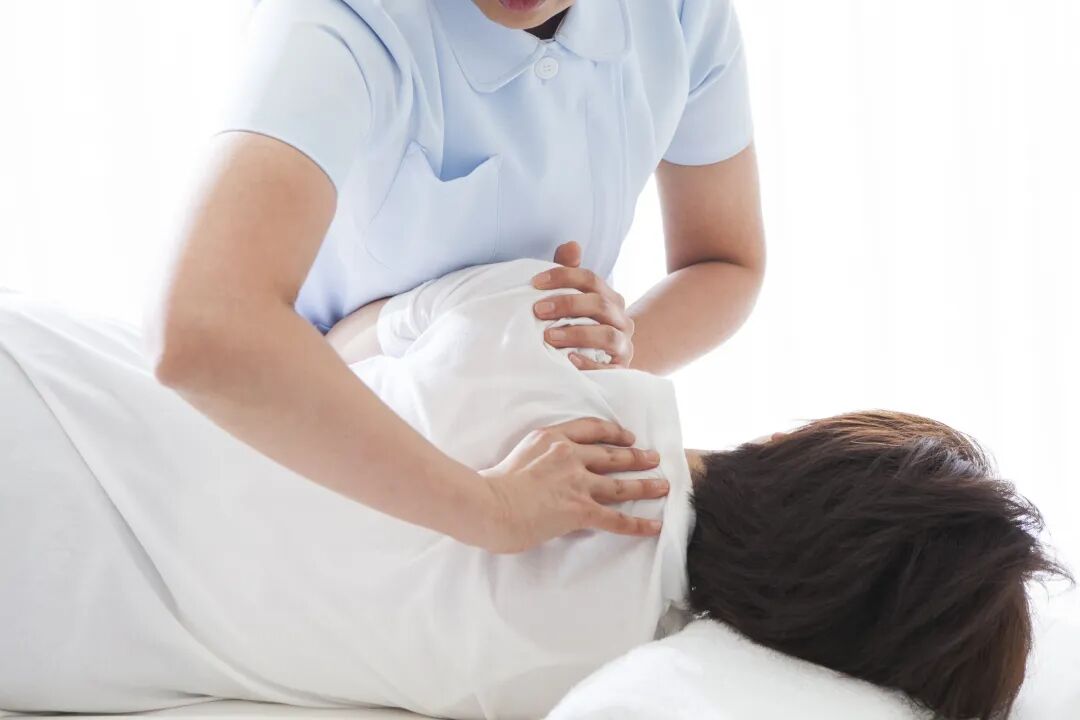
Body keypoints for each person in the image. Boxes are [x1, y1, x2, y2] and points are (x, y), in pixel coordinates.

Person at [0, 259, 1068, 719]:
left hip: (44, 399)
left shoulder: (565, 337)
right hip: (49, 636)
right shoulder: (574, 675)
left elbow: (333, 343)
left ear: (796, 443)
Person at [142, 0, 767, 553]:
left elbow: (724, 261)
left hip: (528, 461)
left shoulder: (679, 13)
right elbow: (202, 326)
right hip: (322, 452)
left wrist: (592, 355)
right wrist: (492, 510)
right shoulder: (339, 21)